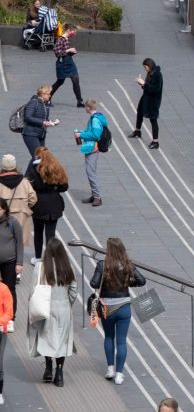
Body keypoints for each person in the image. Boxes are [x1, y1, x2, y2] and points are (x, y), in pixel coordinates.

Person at [89, 237, 146, 385]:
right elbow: (142, 281)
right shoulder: (128, 265)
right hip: (124, 308)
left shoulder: (102, 265)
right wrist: (127, 283)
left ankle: (110, 369)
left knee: (109, 337)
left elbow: (93, 283)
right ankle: (119, 374)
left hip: (107, 308)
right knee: (121, 342)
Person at [27, 237, 75, 387]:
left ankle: (48, 368)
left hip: (46, 307)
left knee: (46, 338)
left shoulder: (40, 267)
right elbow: (73, 290)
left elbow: (33, 289)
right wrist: (68, 303)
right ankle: (59, 373)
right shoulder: (67, 267)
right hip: (64, 308)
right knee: (61, 340)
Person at [27, 147, 67, 266]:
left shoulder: (34, 169)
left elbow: (31, 186)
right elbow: (64, 187)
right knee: (51, 234)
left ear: (38, 157)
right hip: (54, 204)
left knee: (38, 232)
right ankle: (50, 259)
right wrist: (54, 188)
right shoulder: (57, 168)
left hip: (39, 204)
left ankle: (38, 257)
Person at [0, 154, 35, 269]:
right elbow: (33, 199)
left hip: (3, 218)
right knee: (19, 242)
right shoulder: (24, 182)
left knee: (4, 242)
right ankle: (18, 268)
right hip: (21, 216)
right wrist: (25, 208)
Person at [74, 98, 109, 206]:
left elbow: (95, 135)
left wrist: (81, 135)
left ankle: (97, 196)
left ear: (88, 108)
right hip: (91, 147)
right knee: (90, 171)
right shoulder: (96, 117)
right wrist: (81, 132)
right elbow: (91, 131)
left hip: (93, 148)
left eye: (85, 107)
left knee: (90, 172)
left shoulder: (94, 120)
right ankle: (94, 195)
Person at [129, 58, 162, 149]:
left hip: (153, 101)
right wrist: (142, 84)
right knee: (139, 111)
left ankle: (155, 142)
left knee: (153, 119)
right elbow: (147, 86)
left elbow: (155, 89)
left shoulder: (157, 75)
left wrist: (144, 84)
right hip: (146, 97)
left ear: (150, 65)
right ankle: (137, 131)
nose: (145, 69)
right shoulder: (151, 73)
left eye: (145, 67)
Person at [49, 24, 84, 107]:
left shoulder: (67, 39)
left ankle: (80, 101)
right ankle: (47, 98)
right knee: (60, 81)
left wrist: (72, 52)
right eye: (73, 31)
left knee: (75, 80)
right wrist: (68, 50)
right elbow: (57, 53)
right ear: (68, 30)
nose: (74, 33)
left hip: (70, 63)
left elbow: (65, 53)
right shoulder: (60, 39)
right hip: (62, 64)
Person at [0, 200, 20, 332]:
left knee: (10, 289)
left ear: (4, 209)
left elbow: (20, 243)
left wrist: (20, 262)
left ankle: (11, 318)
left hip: (10, 261)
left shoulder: (13, 222)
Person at [22, 85, 56, 160]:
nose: (50, 95)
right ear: (43, 94)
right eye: (48, 94)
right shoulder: (33, 102)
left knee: (40, 158)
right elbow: (27, 117)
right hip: (31, 134)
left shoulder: (45, 104)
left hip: (41, 134)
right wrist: (42, 122)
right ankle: (30, 172)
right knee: (38, 158)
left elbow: (43, 118)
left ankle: (31, 172)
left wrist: (49, 122)